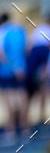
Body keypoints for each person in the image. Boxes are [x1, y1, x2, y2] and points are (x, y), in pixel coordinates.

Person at [0, 12, 27, 141]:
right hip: (21, 68)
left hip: (6, 70)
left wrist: (12, 67)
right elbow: (26, 49)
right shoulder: (20, 31)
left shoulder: (2, 32)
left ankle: (10, 128)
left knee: (8, 98)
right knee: (22, 95)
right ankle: (24, 126)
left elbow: (1, 54)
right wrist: (19, 66)